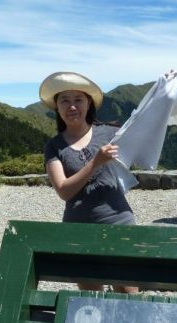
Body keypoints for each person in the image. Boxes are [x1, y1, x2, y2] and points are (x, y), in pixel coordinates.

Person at [39, 71, 137, 293]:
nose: (72, 106)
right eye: (65, 100)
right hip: (78, 230)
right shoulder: (54, 146)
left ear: (88, 104)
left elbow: (145, 126)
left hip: (119, 221)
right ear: (57, 107)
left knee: (129, 296)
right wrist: (96, 162)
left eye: (78, 100)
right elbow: (64, 190)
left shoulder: (111, 133)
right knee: (91, 304)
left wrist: (164, 90)